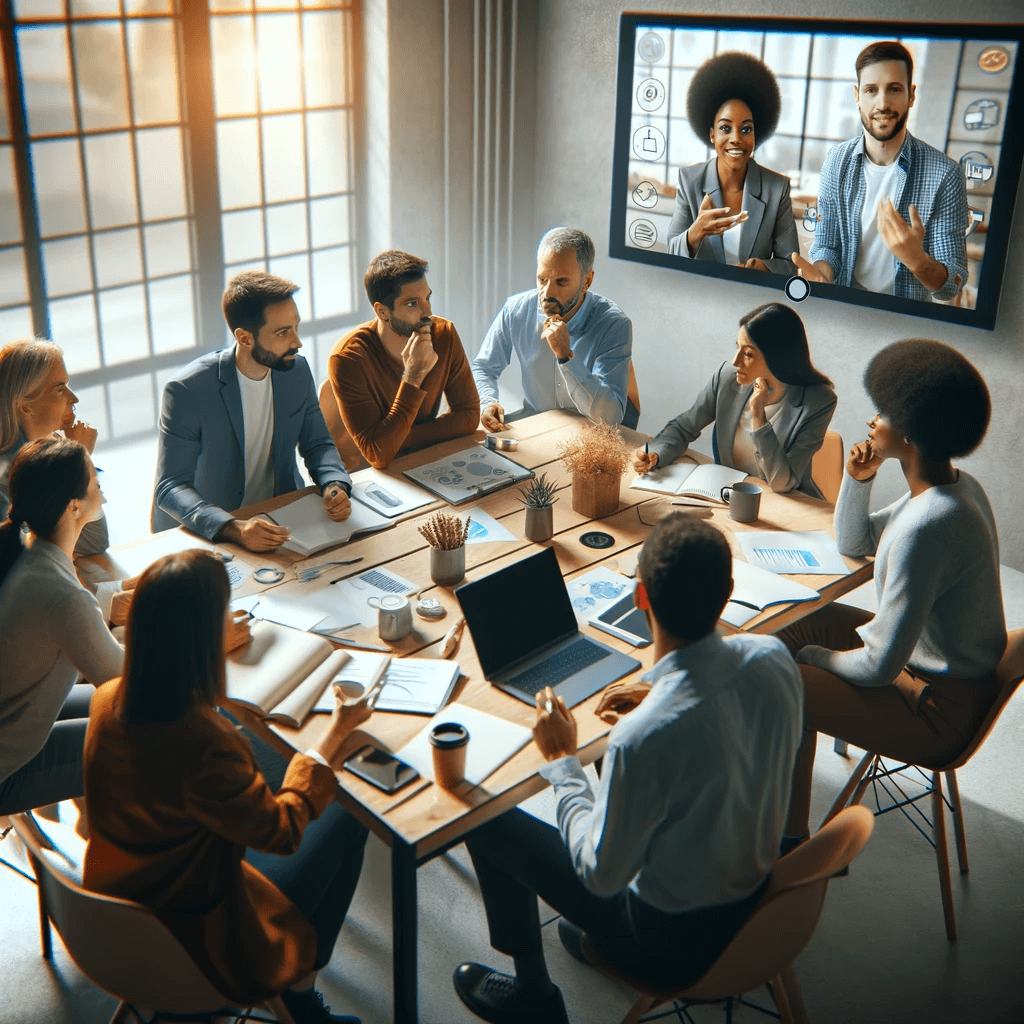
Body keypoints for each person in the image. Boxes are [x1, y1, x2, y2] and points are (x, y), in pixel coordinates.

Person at [452, 515, 803, 1024]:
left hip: (667, 944)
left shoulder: (643, 736)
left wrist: (563, 763)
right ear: (727, 592)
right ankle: (587, 940)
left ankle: (535, 998)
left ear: (641, 598)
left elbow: (600, 875)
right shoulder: (775, 659)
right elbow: (716, 709)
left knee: (485, 818)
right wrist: (656, 692)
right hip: (758, 904)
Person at [83, 550, 370, 1024]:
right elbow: (281, 833)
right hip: (195, 933)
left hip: (116, 908)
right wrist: (332, 738)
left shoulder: (107, 697)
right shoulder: (204, 742)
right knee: (346, 811)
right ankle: (301, 999)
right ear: (197, 639)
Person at [778, 339, 1005, 851]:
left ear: (909, 431)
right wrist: (859, 481)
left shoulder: (932, 524)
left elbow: (880, 666)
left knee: (791, 675)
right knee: (791, 627)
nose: (870, 422)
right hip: (931, 671)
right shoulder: (953, 489)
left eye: (881, 412)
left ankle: (789, 841)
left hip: (935, 707)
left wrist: (815, 657)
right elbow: (855, 542)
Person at [152, 271, 352, 552]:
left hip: (281, 517)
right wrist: (235, 528)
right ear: (245, 338)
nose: (297, 342)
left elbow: (318, 444)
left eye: (296, 327)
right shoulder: (187, 391)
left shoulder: (296, 370)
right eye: (283, 332)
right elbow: (170, 487)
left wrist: (334, 484)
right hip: (212, 530)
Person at [0, 439, 123, 816]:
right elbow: (135, 687)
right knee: (153, 728)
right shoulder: (63, 597)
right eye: (93, 477)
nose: (100, 483)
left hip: (12, 722)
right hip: (8, 774)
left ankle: (93, 824)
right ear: (73, 507)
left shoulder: (28, 555)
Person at [794, 41, 968, 301]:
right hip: (843, 307)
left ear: (911, 95)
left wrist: (917, 261)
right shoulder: (835, 161)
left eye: (894, 89)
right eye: (871, 90)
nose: (883, 103)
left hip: (904, 317)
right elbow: (828, 245)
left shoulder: (946, 174)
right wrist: (822, 275)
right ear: (857, 96)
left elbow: (952, 284)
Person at [634, 302, 835, 497]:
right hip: (729, 495)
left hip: (788, 507)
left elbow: (783, 482)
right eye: (737, 347)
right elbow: (685, 426)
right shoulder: (727, 377)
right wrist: (655, 454)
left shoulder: (818, 402)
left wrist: (758, 416)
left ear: (777, 358)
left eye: (748, 353)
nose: (735, 361)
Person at [328, 251, 479, 470]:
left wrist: (403, 438)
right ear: (382, 311)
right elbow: (377, 454)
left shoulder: (444, 334)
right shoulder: (348, 359)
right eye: (412, 304)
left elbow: (469, 416)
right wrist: (413, 375)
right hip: (372, 475)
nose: (428, 312)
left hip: (426, 463)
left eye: (427, 297)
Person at [472, 227, 633, 431]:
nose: (547, 292)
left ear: (587, 281)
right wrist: (487, 401)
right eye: (542, 279)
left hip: (587, 437)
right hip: (532, 426)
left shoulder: (614, 325)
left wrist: (566, 357)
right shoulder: (516, 310)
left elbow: (610, 416)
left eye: (561, 281)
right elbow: (484, 367)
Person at [665, 51, 798, 275]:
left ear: (757, 134)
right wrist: (696, 232)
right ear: (711, 135)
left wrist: (758, 267)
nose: (736, 138)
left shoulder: (777, 188)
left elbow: (791, 264)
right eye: (725, 128)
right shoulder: (689, 181)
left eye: (746, 129)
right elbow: (671, 254)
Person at [0, 339, 109, 556]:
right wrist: (79, 459)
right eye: (60, 389)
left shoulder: (51, 446)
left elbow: (95, 543)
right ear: (24, 405)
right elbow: (37, 557)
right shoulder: (8, 474)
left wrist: (74, 457)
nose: (74, 398)